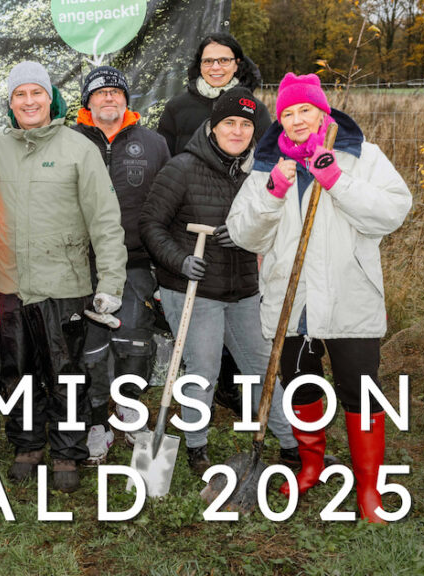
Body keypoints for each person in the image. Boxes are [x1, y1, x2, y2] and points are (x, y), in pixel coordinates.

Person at [227, 73, 411, 522]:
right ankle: (311, 466)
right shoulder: (266, 165)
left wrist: (337, 180)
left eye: (305, 110)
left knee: (361, 392)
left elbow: (392, 212)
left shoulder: (361, 156)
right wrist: (273, 192)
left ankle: (368, 490)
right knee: (302, 388)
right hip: (291, 303)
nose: (296, 120)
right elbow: (243, 233)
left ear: (323, 112)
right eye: (288, 113)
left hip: (350, 299)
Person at [0, 61, 127, 493]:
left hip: (65, 283)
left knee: (67, 374)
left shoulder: (78, 149)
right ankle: (27, 445)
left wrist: (110, 283)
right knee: (17, 372)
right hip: (10, 284)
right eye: (19, 95)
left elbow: (105, 220)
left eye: (36, 93)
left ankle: (66, 450)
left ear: (50, 98)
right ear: (10, 103)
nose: (29, 102)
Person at [140, 87, 298, 476]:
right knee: (203, 370)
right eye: (229, 122)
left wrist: (246, 234)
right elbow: (151, 225)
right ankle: (197, 447)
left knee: (262, 368)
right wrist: (180, 260)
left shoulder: (259, 173)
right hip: (192, 289)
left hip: (243, 289)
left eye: (246, 124)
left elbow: (268, 222)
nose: (237, 131)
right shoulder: (181, 168)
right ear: (213, 126)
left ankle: (293, 445)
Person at [157, 32, 272, 417]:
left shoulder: (255, 113)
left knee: (247, 338)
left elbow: (268, 177)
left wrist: (251, 231)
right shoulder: (178, 109)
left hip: (239, 250)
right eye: (209, 60)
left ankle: (239, 395)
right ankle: (204, 411)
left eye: (224, 60)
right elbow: (163, 180)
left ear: (237, 63)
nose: (216, 66)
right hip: (191, 235)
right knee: (203, 345)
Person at [72, 66, 170, 463]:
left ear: (126, 100)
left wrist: (165, 263)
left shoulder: (154, 143)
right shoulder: (70, 140)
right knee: (91, 348)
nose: (109, 97)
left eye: (116, 92)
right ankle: (97, 420)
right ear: (88, 102)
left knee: (134, 341)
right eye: (100, 92)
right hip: (83, 263)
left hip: (136, 261)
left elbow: (168, 204)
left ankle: (129, 408)